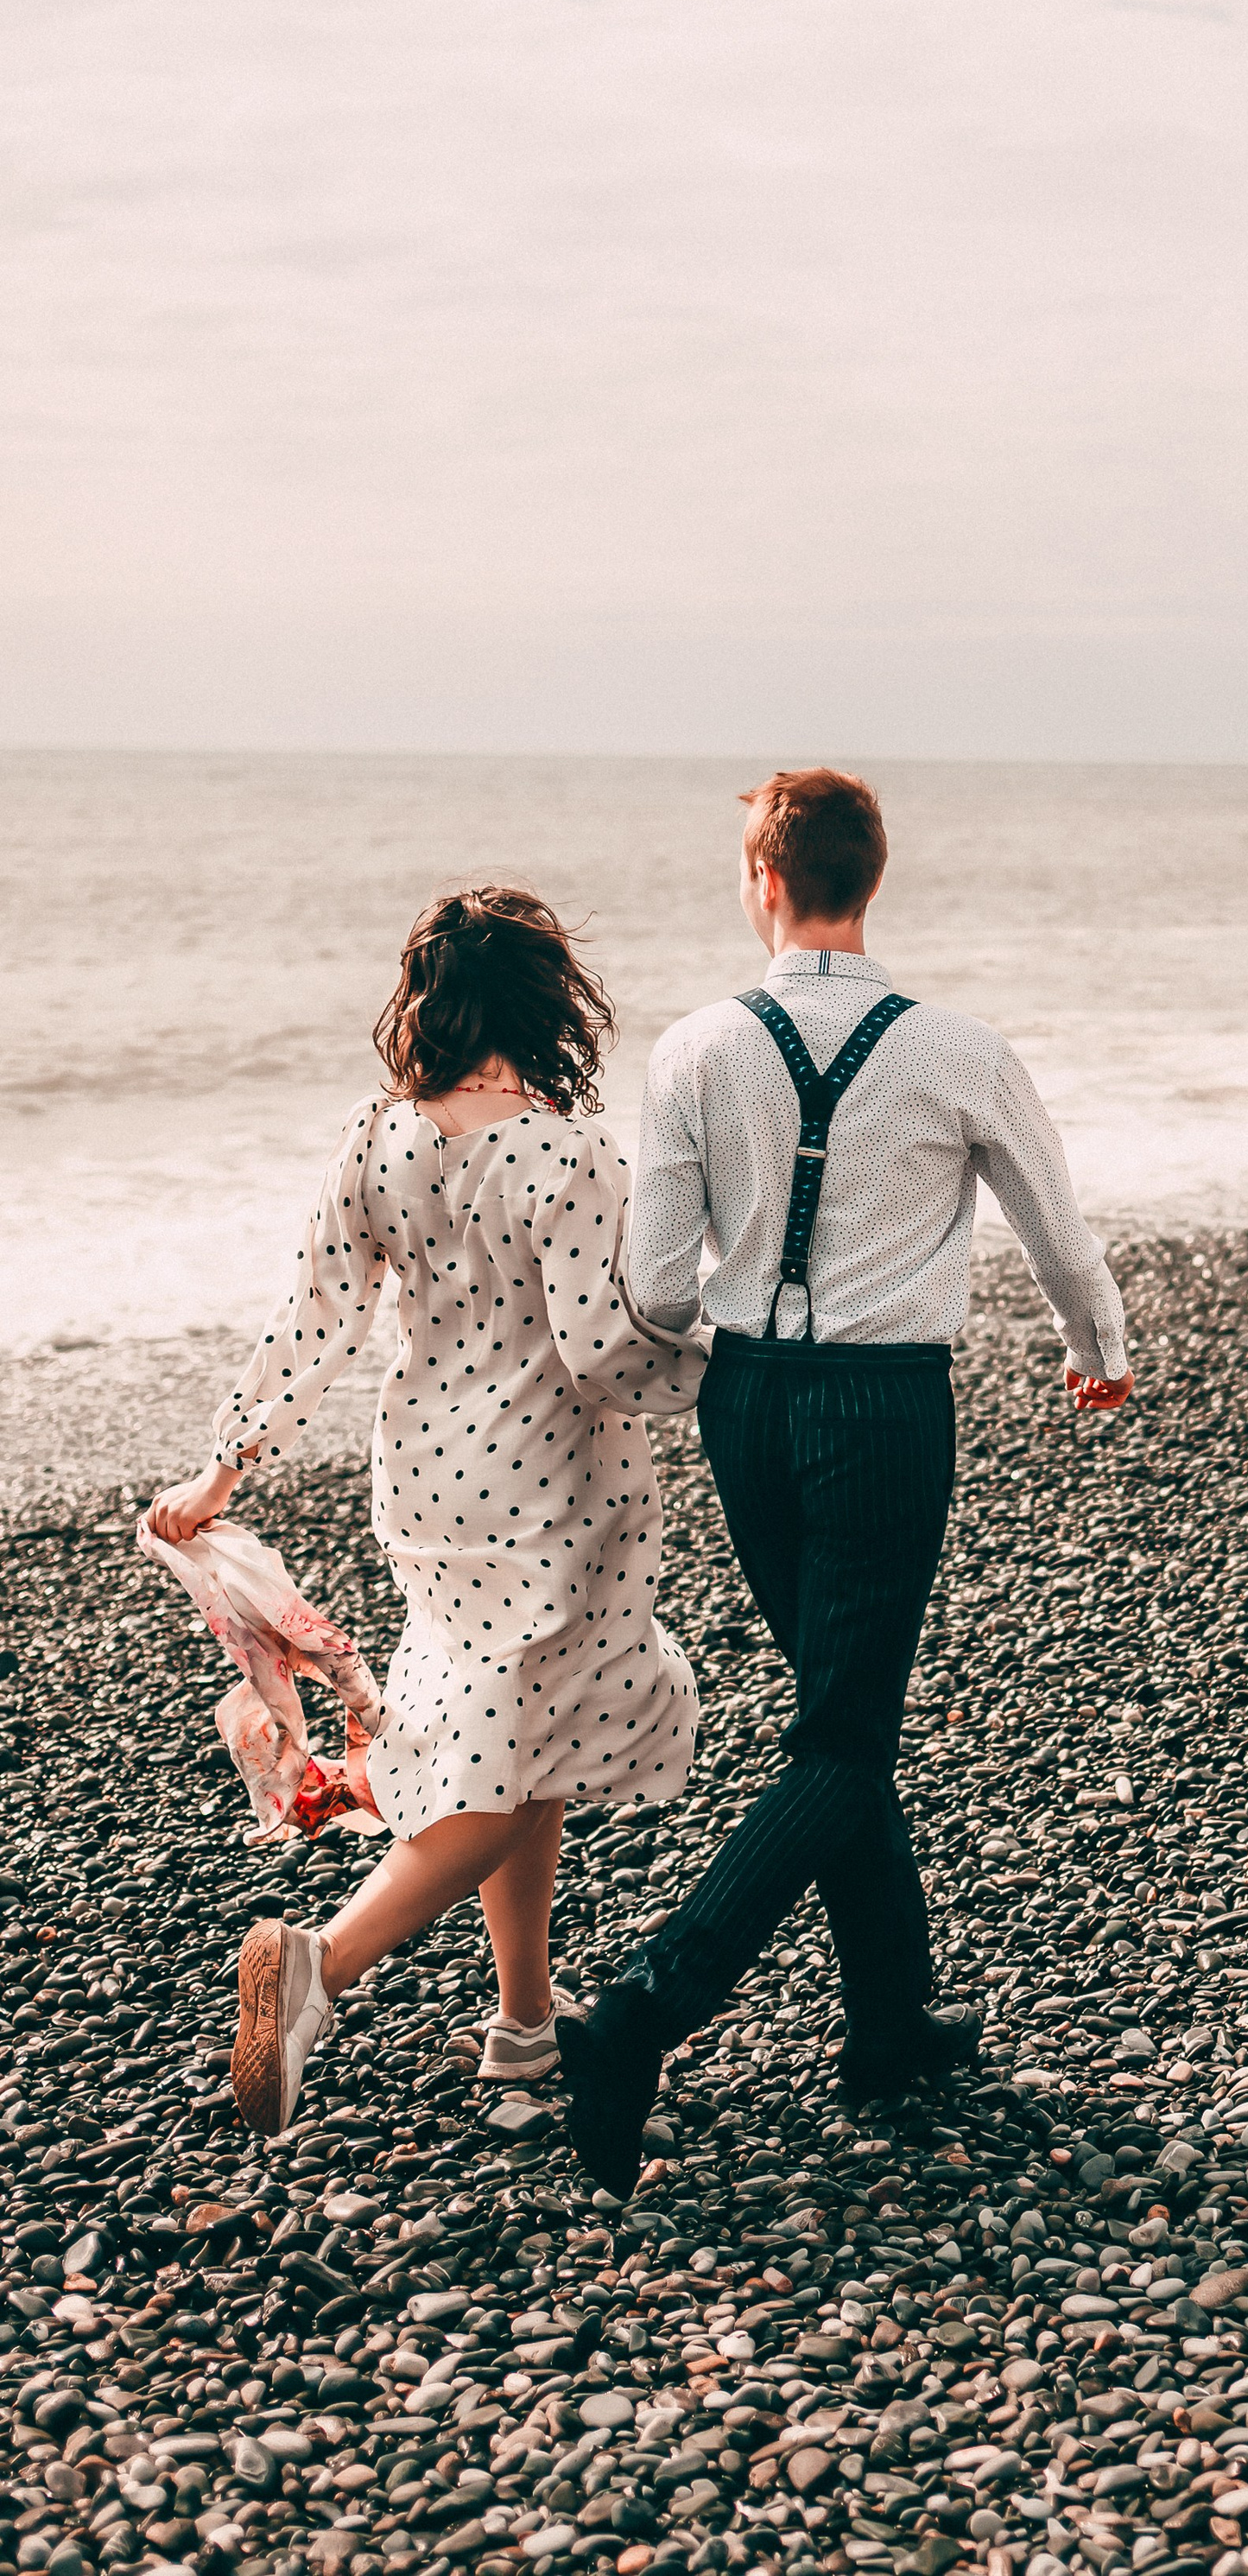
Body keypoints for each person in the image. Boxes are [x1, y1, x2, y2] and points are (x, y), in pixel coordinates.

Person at [556, 767, 1132, 2193]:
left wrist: (734, 1310)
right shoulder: (962, 1051)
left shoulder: (696, 1049)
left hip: (747, 1406)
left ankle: (888, 2023)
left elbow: (657, 1289)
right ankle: (643, 2012)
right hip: (884, 1409)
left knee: (838, 1711)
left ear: (764, 879)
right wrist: (1097, 1348)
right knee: (844, 1736)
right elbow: (1058, 1232)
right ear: (872, 878)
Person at [147, 885, 706, 2135]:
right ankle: (320, 1966)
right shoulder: (570, 1152)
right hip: (551, 1493)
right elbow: (603, 1353)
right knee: (498, 1770)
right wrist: (730, 1371)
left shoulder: (379, 1133)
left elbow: (318, 1316)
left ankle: (524, 2024)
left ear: (428, 1004)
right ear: (547, 1003)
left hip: (424, 1481)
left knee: (523, 1738)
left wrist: (225, 1466)